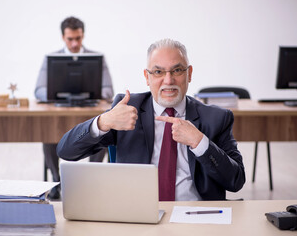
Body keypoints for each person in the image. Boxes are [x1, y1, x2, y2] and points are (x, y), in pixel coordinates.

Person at [57, 38, 246, 201]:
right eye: (158, 72)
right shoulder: (128, 108)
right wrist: (103, 122)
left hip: (195, 216)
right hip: (136, 215)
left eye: (177, 70)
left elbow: (236, 181)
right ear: (147, 77)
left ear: (189, 74)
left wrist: (200, 142)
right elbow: (66, 151)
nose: (168, 80)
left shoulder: (216, 118)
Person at [34, 16, 114, 200]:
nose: (75, 43)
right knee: (47, 136)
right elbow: (38, 90)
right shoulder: (50, 59)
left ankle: (89, 180)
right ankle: (56, 181)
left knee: (102, 133)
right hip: (59, 114)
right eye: (70, 39)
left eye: (78, 38)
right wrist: (61, 93)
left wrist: (87, 94)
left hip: (89, 112)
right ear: (63, 37)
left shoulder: (97, 58)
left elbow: (109, 90)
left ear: (83, 35)